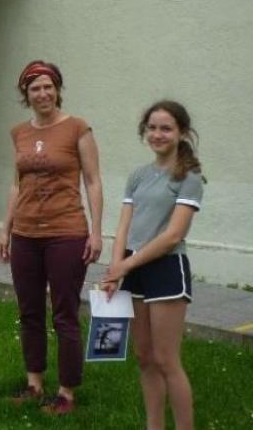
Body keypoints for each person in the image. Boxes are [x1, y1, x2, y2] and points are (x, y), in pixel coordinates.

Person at [0, 60, 103, 414]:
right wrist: (6, 229)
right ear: (25, 94)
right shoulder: (19, 133)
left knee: (64, 314)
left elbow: (92, 181)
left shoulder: (78, 128)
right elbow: (17, 183)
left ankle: (67, 393)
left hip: (66, 233)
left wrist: (97, 231)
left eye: (48, 86)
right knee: (29, 312)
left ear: (57, 89)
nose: (42, 93)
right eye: (34, 88)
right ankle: (34, 384)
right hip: (26, 233)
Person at [102, 100, 204, 430]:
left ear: (182, 133)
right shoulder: (138, 176)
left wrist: (127, 264)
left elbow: (173, 235)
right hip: (132, 270)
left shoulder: (189, 178)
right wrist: (115, 268)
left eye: (166, 128)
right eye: (152, 128)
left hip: (166, 270)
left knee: (166, 360)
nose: (157, 134)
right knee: (144, 357)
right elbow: (123, 228)